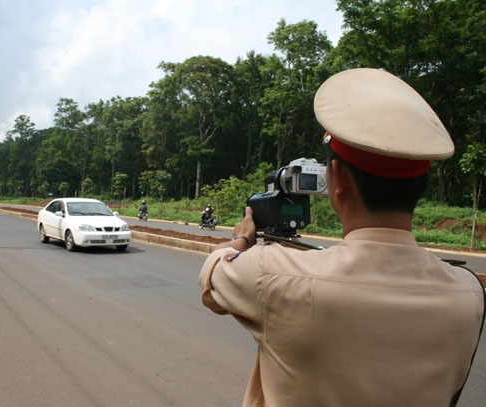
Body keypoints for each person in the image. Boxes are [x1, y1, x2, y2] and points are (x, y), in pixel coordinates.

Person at [198, 68, 485, 407]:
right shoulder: (469, 294)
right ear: (419, 185)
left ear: (338, 179)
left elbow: (213, 275)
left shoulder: (271, 273)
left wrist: (243, 239)